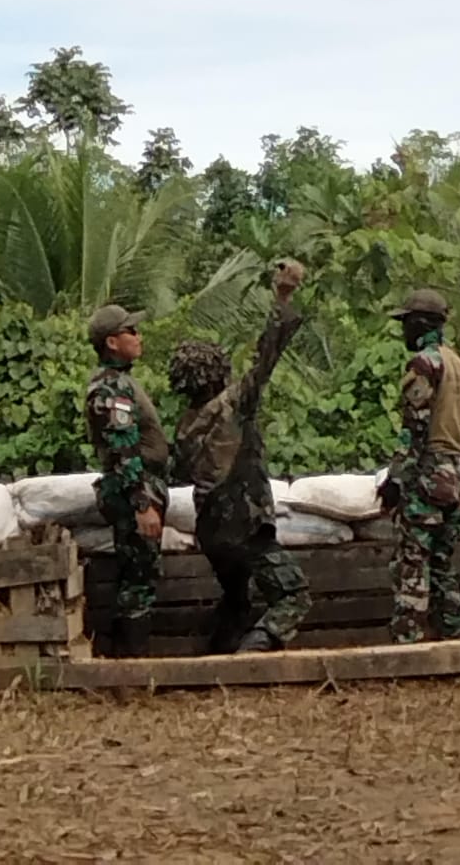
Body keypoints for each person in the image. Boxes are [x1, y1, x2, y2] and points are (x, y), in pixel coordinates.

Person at [168, 260, 312, 654]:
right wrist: (282, 297)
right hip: (244, 526)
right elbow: (267, 356)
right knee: (293, 595)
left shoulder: (185, 425)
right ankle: (253, 654)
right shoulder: (233, 405)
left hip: (212, 532)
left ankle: (214, 656)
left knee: (237, 600)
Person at [377, 288, 460, 644]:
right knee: (443, 564)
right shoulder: (458, 364)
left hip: (427, 476)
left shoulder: (425, 364)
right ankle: (453, 636)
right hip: (454, 474)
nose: (404, 332)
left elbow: (414, 427)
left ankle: (408, 643)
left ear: (420, 324)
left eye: (406, 324)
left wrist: (396, 479)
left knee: (413, 561)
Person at [85, 304, 170, 656]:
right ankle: (131, 668)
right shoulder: (111, 388)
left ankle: (125, 663)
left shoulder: (122, 383)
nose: (139, 336)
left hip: (141, 487)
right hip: (133, 491)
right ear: (112, 342)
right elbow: (122, 449)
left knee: (137, 577)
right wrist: (142, 503)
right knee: (138, 581)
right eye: (130, 332)